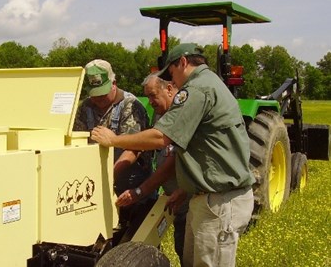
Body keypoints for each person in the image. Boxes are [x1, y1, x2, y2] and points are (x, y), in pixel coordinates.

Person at [90, 44, 255, 267]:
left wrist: (114, 140)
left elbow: (162, 138)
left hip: (219, 201)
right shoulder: (210, 84)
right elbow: (205, 149)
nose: (172, 81)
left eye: (171, 73)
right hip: (208, 197)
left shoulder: (197, 89)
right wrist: (185, 189)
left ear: (183, 62)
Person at [73, 59, 154, 244]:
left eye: (103, 94)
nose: (99, 100)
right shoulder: (85, 108)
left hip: (132, 191)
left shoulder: (131, 107)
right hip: (98, 188)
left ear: (114, 84)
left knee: (134, 247)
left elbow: (134, 149)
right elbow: (78, 142)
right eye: (95, 95)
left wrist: (108, 176)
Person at [113, 73, 189, 266]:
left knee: (191, 249)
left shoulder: (183, 115)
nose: (151, 102)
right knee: (180, 247)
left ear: (169, 89)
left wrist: (140, 191)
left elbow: (170, 165)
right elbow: (143, 145)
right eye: (147, 97)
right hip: (173, 196)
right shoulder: (160, 113)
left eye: (153, 95)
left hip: (189, 196)